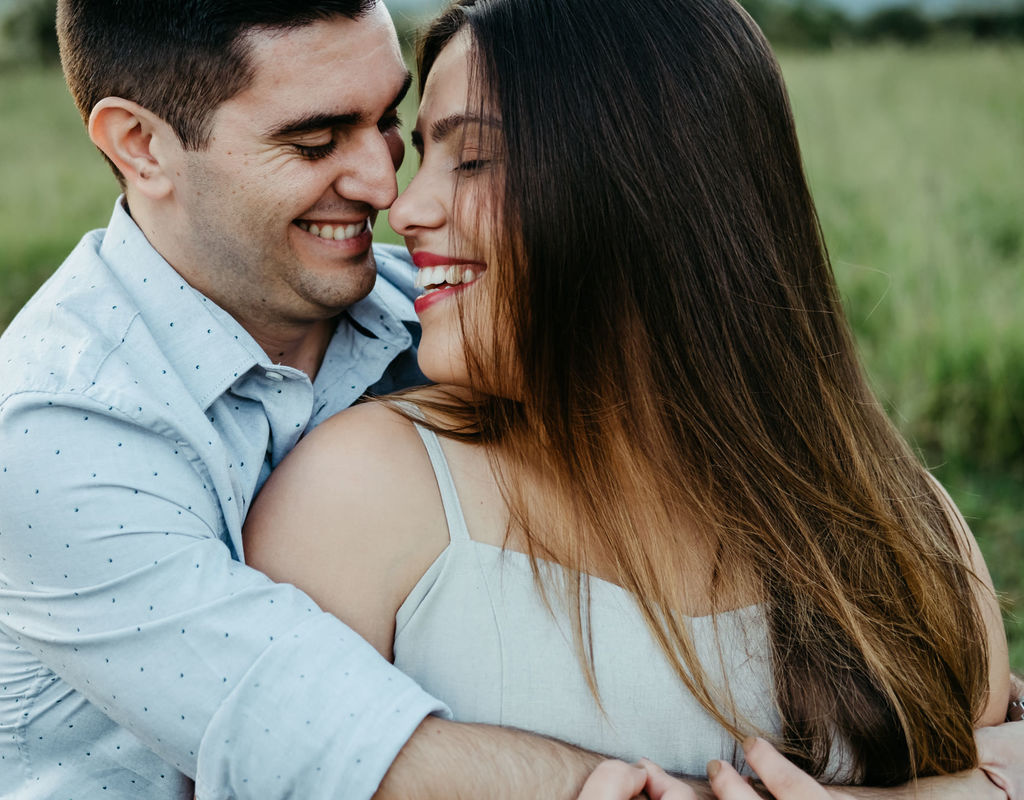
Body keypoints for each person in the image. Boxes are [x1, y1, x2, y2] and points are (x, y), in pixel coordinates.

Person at [243, 0, 1022, 796]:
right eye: (422, 157)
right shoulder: (359, 496)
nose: (403, 208)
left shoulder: (901, 533)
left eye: (471, 160)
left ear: (645, 189)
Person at [0, 1, 647, 797]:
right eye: (315, 142)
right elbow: (327, 747)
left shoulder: (438, 317)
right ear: (141, 145)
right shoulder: (56, 429)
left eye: (389, 121)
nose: (385, 186)